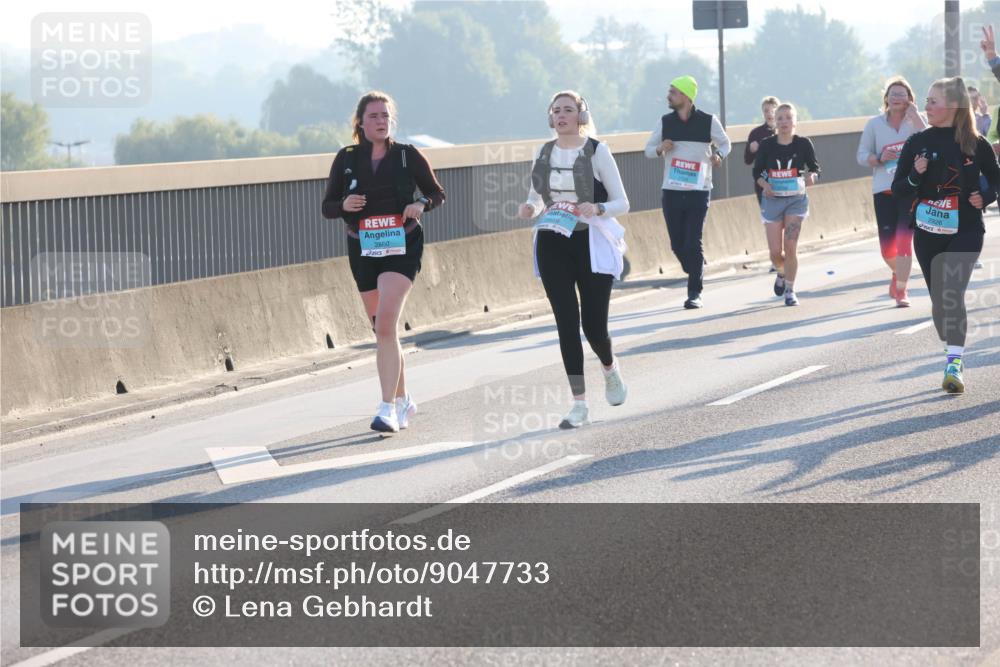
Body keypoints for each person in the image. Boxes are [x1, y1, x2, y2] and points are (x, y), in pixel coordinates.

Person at [321, 91, 446, 432]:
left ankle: (387, 407)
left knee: (387, 324)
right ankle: (404, 399)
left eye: (386, 116)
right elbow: (327, 206)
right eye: (374, 115)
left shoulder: (407, 155)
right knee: (382, 331)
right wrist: (344, 205)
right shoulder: (346, 158)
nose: (380, 121)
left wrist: (421, 205)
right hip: (362, 248)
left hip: (402, 245)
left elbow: (437, 193)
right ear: (360, 122)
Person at [518, 91, 630, 429]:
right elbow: (536, 197)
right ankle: (579, 403)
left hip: (591, 242)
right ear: (550, 118)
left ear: (582, 115)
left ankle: (610, 368)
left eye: (569, 110)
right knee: (566, 324)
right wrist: (530, 209)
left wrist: (597, 208)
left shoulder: (597, 150)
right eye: (557, 110)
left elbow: (622, 202)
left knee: (593, 327)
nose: (562, 115)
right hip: (553, 241)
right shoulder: (544, 151)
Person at [892, 77, 999, 394]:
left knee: (951, 292)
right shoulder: (917, 143)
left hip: (966, 229)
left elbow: (995, 180)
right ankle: (952, 351)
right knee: (941, 304)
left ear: (952, 105)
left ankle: (954, 362)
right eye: (926, 100)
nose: (926, 107)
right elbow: (899, 190)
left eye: (933, 101)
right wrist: (916, 173)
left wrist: (987, 197)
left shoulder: (974, 143)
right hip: (927, 233)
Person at [645, 75, 732, 309]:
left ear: (685, 96)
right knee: (677, 244)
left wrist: (718, 155)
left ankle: (695, 292)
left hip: (699, 189)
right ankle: (695, 267)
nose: (668, 96)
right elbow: (648, 151)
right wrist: (661, 148)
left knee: (693, 241)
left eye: (672, 92)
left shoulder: (708, 121)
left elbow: (725, 143)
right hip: (672, 190)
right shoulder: (665, 121)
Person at [856, 76, 927, 307]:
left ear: (910, 99)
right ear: (886, 98)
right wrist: (877, 158)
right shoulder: (874, 125)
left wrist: (916, 116)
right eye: (893, 94)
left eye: (902, 94)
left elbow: (930, 140)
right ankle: (898, 273)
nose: (897, 97)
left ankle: (902, 290)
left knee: (905, 243)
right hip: (883, 191)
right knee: (888, 249)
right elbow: (861, 155)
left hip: (910, 191)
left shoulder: (916, 122)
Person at [753, 103, 820, 306]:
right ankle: (781, 272)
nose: (784, 122)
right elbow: (757, 173)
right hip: (772, 200)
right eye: (780, 118)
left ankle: (790, 290)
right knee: (775, 253)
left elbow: (815, 167)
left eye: (788, 118)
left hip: (796, 200)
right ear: (774, 121)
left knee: (790, 247)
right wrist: (765, 185)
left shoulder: (803, 144)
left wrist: (813, 177)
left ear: (795, 121)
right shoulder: (767, 145)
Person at [745, 96, 780, 205]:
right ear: (762, 112)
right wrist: (751, 150)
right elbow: (747, 160)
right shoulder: (755, 133)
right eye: (766, 111)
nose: (769, 114)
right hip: (763, 182)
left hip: (783, 181)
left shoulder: (785, 131)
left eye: (773, 111)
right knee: (770, 218)